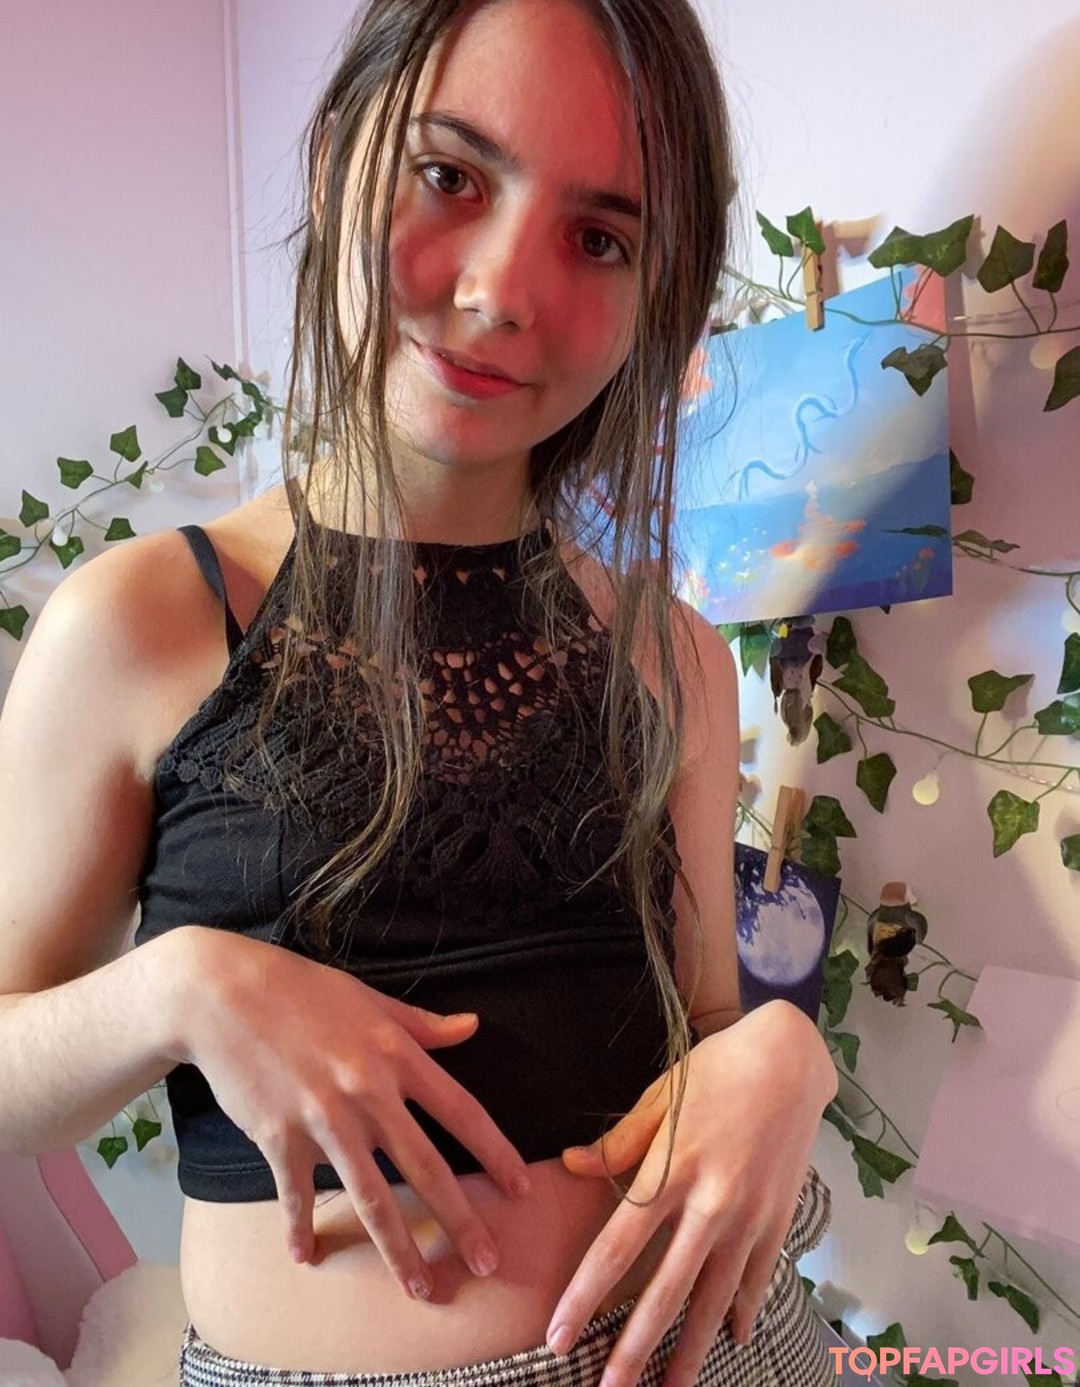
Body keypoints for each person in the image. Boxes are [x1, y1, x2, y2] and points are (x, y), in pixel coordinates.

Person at [0, 1, 839, 1383]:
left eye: (601, 238)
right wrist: (178, 989)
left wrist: (785, 1054)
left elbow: (707, 1028)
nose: (504, 291)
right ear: (338, 157)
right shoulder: (141, 624)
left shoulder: (673, 653)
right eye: (450, 175)